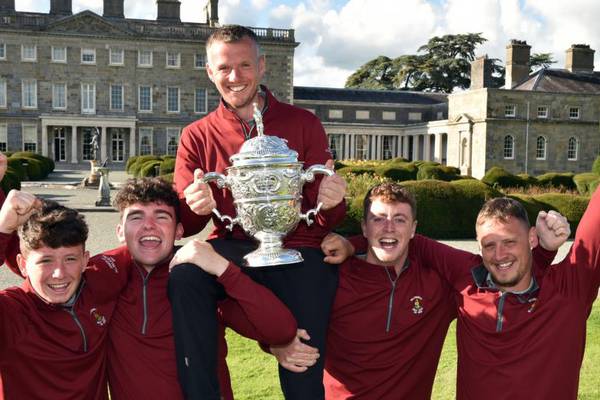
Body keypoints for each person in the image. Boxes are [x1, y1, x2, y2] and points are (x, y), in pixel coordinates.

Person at [171, 24, 346, 399]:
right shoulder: (196, 135)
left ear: (262, 66)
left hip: (299, 248)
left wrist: (334, 199)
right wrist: (194, 205)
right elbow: (185, 226)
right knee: (185, 275)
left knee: (304, 359)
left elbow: (326, 216)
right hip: (234, 245)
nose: (235, 77)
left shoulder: (303, 123)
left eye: (244, 65)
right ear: (209, 71)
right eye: (224, 68)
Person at [270, 182, 570, 399]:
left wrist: (543, 251)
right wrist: (276, 343)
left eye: (399, 220)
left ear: (414, 230)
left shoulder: (438, 286)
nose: (389, 228)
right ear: (363, 227)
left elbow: (506, 274)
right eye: (378, 219)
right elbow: (282, 314)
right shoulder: (333, 275)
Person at [105, 177, 297, 400]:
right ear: (120, 231)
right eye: (136, 217)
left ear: (179, 231)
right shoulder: (105, 277)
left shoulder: (197, 278)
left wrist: (221, 267)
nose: (149, 225)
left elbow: (281, 330)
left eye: (161, 217)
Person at [0, 192, 128, 399]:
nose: (59, 274)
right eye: (45, 261)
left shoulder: (100, 280)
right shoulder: (12, 311)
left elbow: (149, 250)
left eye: (70, 259)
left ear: (86, 260)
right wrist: (2, 229)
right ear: (23, 265)